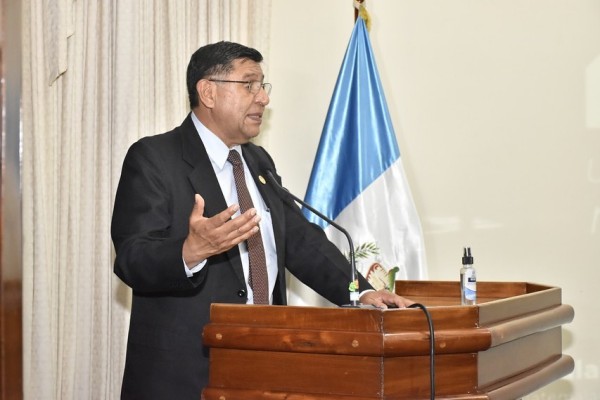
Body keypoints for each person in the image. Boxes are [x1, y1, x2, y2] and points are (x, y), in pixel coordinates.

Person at [111, 41, 413, 399]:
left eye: (262, 86)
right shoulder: (155, 158)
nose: (263, 98)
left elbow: (301, 242)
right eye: (249, 84)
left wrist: (362, 292)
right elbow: (132, 258)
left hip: (264, 364)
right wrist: (190, 252)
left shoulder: (257, 162)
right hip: (184, 374)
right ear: (208, 92)